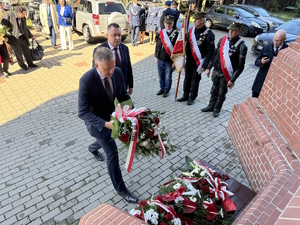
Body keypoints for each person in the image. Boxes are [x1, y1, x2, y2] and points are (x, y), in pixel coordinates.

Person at [78, 47, 138, 203]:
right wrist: (105, 124)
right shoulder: (86, 81)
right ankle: (121, 189)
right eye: (107, 68)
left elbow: (124, 95)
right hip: (98, 124)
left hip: (114, 118)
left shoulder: (117, 72)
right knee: (112, 152)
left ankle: (92, 148)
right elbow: (82, 112)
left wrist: (132, 112)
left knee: (107, 139)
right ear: (97, 66)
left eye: (113, 66)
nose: (111, 71)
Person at [201, 21, 247, 117]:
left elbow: (240, 66)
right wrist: (209, 67)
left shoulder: (242, 46)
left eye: (233, 31)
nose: (230, 32)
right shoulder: (223, 40)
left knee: (221, 93)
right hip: (216, 70)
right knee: (214, 90)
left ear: (238, 31)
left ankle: (217, 109)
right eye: (230, 30)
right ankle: (210, 106)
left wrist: (232, 79)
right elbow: (215, 54)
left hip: (226, 74)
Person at [177, 12, 215, 105]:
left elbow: (211, 52)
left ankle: (192, 97)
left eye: (197, 19)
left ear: (202, 21)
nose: (194, 21)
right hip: (189, 59)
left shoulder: (209, 34)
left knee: (195, 80)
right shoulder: (191, 31)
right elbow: (187, 44)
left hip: (199, 62)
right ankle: (185, 95)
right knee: (187, 78)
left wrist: (205, 65)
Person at [92, 23, 133, 96]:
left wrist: (131, 85)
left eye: (119, 35)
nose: (117, 38)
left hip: (122, 88)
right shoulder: (99, 51)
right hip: (108, 89)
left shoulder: (125, 49)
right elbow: (95, 73)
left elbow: (128, 68)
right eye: (114, 35)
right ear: (107, 35)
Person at [252, 30, 288, 98]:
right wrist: (261, 62)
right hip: (260, 82)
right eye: (274, 39)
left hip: (275, 84)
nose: (275, 42)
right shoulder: (266, 47)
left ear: (284, 39)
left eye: (278, 40)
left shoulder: (287, 50)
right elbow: (257, 62)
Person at [2, 6, 38, 71]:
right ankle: (22, 65)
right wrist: (5, 37)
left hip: (22, 37)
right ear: (18, 12)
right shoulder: (9, 15)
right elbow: (2, 26)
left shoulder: (23, 17)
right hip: (13, 38)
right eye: (23, 14)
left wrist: (31, 35)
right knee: (18, 53)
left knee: (27, 51)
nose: (24, 16)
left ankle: (30, 63)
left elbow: (25, 28)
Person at [155, 15, 178, 97]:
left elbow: (176, 50)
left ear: (172, 24)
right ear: (164, 24)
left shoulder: (176, 35)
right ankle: (162, 88)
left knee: (168, 77)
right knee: (161, 75)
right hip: (160, 59)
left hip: (169, 61)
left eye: (169, 23)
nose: (167, 25)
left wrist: (174, 62)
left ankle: (166, 90)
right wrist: (156, 56)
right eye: (166, 23)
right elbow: (157, 46)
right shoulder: (161, 33)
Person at [0, 0, 13, 65]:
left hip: (6, 30)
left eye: (1, 3)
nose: (0, 5)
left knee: (8, 44)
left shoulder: (6, 11)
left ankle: (10, 58)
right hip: (0, 32)